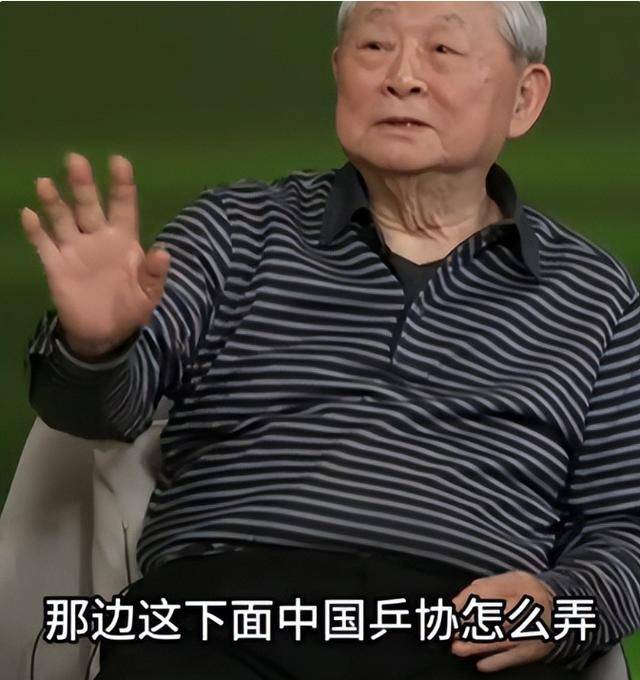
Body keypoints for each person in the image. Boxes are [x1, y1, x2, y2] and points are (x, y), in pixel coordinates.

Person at [20, 2, 640, 678]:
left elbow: (625, 528)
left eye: (442, 50)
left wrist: (561, 606)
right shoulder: (236, 231)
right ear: (339, 71)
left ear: (524, 98)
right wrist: (97, 346)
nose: (402, 77)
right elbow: (96, 416)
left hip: (462, 635)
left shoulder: (595, 294)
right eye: (374, 47)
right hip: (224, 619)